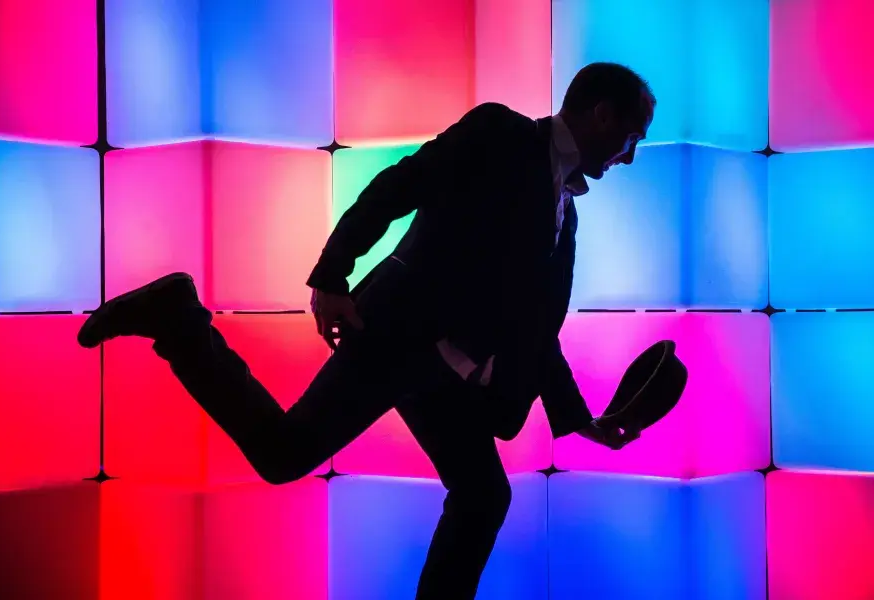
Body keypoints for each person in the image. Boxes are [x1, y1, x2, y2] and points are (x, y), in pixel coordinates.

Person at [78, 62, 656, 599]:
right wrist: (333, 273)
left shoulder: (566, 209)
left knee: (483, 497)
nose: (628, 158)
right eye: (633, 138)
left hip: (443, 373)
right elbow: (399, 185)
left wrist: (581, 422)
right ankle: (179, 320)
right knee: (283, 455)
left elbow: (534, 326)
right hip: (399, 337)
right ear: (602, 114)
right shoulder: (501, 134)